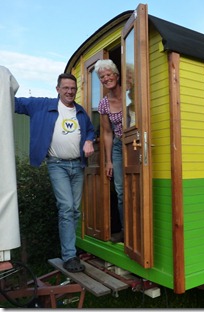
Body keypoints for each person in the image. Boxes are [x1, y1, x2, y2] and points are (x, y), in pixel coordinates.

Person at [14, 73, 95, 273]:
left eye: (73, 88)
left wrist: (89, 140)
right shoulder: (42, 105)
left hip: (78, 166)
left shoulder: (81, 112)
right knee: (67, 207)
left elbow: (91, 130)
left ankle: (70, 250)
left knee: (75, 209)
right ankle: (69, 256)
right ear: (57, 89)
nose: (70, 91)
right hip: (57, 165)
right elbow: (15, 103)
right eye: (65, 88)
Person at [94, 59, 124, 243]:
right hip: (119, 147)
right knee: (120, 190)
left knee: (138, 188)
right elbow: (106, 133)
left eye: (108, 74)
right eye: (102, 76)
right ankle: (125, 230)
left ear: (116, 75)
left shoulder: (132, 94)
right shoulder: (104, 104)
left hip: (135, 142)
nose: (106, 78)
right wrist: (109, 161)